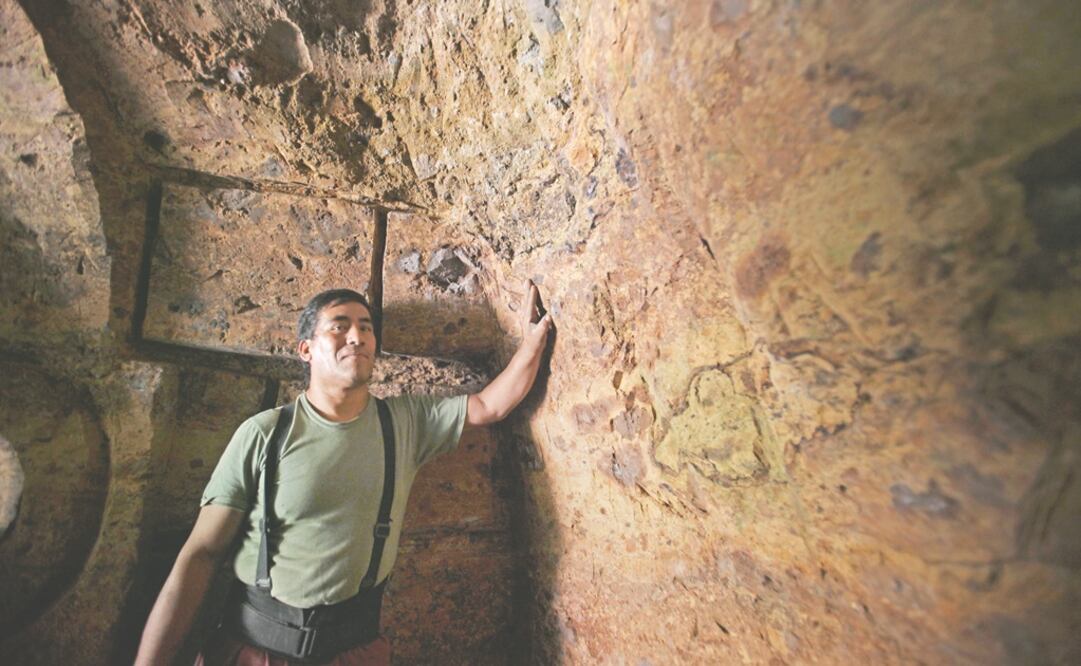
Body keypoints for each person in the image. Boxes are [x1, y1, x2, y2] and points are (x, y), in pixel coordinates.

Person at [134, 281, 552, 666]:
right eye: (340, 326)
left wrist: (532, 342)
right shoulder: (264, 434)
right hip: (253, 652)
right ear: (306, 349)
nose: (358, 336)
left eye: (366, 328)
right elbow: (200, 556)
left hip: (353, 653)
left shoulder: (404, 423)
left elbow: (488, 407)